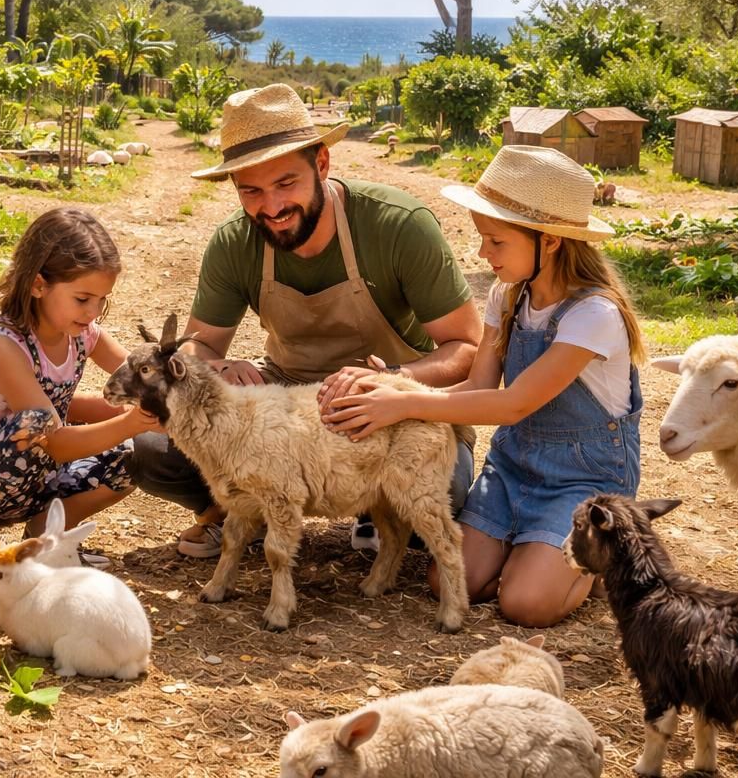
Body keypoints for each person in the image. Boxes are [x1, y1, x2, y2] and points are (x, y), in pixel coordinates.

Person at [127, 83, 482, 558]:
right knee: (152, 450)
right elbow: (199, 346)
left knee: (449, 490)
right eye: (250, 191)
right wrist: (216, 367)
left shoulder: (399, 225)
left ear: (322, 164)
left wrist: (395, 383)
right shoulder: (234, 243)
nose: (270, 208)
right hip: (288, 407)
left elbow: (466, 348)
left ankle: (374, 511)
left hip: (389, 409)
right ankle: (239, 513)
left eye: (285, 184)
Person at [320, 145, 645, 628]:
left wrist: (402, 402)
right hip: (514, 467)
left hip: (582, 478)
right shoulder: (507, 296)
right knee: (446, 581)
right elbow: (477, 387)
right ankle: (539, 555)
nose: (482, 253)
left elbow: (512, 405)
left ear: (550, 241)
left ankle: (590, 559)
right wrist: (394, 386)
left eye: (496, 241)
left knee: (524, 606)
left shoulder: (594, 315)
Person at [0, 207, 158, 569]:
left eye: (101, 300)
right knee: (37, 423)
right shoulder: (4, 344)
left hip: (37, 475)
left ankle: (44, 535)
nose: (93, 311)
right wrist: (133, 421)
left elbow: (140, 377)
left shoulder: (84, 334)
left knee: (134, 455)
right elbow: (53, 440)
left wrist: (159, 403)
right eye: (82, 299)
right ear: (38, 284)